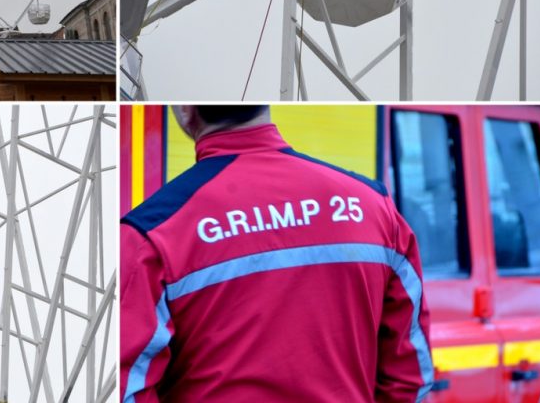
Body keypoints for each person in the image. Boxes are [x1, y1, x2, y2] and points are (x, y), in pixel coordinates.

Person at [120, 105, 432, 402]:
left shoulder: (153, 232)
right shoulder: (374, 208)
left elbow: (127, 387)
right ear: (266, 107)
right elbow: (410, 374)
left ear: (186, 110)